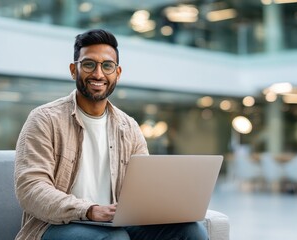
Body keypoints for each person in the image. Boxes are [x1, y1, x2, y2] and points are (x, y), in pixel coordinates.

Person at [14, 29, 208, 240]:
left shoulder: (129, 127)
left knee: (192, 231)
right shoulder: (44, 119)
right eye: (89, 64)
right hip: (56, 225)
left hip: (114, 223)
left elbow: (143, 188)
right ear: (73, 70)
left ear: (117, 73)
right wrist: (90, 210)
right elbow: (31, 188)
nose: (98, 74)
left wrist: (163, 204)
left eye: (107, 66)